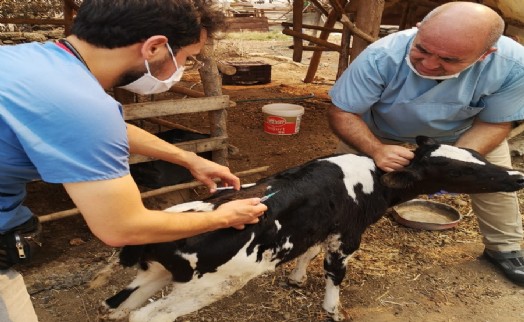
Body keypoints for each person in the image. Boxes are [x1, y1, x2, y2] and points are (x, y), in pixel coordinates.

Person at [0, 0, 268, 320]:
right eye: (187, 58)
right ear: (155, 47)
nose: (185, 66)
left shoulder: (33, 60)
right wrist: (224, 217)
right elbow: (122, 228)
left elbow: (92, 123)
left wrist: (186, 158)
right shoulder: (81, 107)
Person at [329, 2, 524, 286]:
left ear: (486, 54)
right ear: (419, 29)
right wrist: (375, 149)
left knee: (494, 179)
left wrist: (458, 159)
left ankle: (505, 247)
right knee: (344, 182)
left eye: (450, 59)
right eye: (422, 49)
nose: (429, 64)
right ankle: (332, 234)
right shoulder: (382, 55)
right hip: (380, 132)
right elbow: (343, 112)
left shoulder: (514, 65)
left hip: (462, 136)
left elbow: (494, 123)